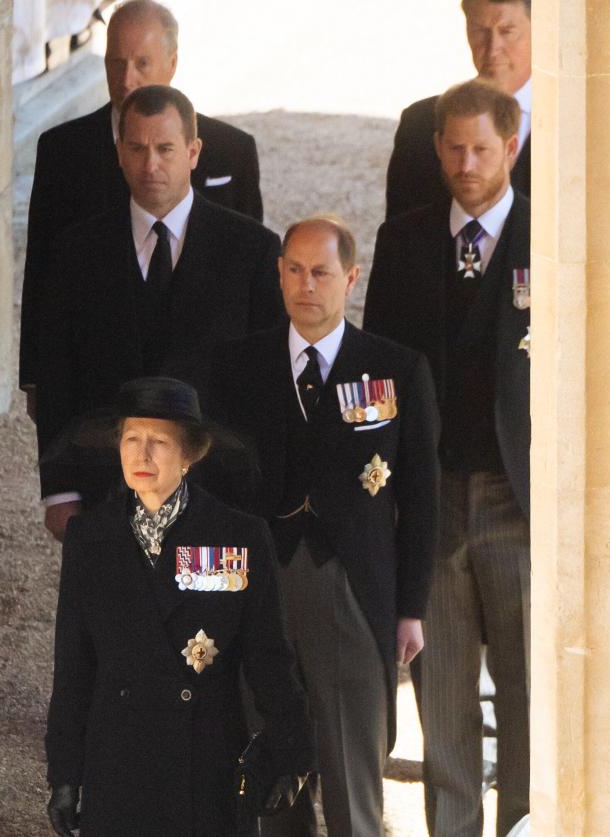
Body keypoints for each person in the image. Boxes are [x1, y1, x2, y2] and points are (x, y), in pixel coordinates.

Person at [213, 217, 440, 836]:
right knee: (270, 774)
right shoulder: (239, 365)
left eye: (320, 272)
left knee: (350, 784)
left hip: (350, 587)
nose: (305, 285)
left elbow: (421, 500)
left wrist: (410, 607)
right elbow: (220, 487)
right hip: (261, 587)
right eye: (293, 269)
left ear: (351, 278)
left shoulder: (396, 369)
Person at [364, 79, 531, 836]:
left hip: (519, 499)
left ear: (513, 148)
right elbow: (378, 378)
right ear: (435, 149)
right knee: (444, 702)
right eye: (454, 148)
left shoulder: (557, 239)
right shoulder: (403, 242)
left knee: (534, 699)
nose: (467, 165)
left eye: (483, 150)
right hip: (430, 504)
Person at [44, 376, 314, 837]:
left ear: (192, 454)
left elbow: (269, 654)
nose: (142, 455)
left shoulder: (239, 538)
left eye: (159, 442)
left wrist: (292, 752)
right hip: (119, 767)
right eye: (131, 439)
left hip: (206, 763)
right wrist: (65, 775)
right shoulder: (90, 539)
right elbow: (74, 667)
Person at [34, 83, 284, 543]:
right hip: (104, 488)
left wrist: (262, 493)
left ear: (193, 152)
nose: (151, 165)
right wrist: (59, 490)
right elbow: (56, 374)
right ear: (120, 152)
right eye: (138, 148)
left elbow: (269, 380)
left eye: (165, 149)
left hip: (217, 491)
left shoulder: (253, 252)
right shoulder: (76, 251)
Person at [20, 0, 264, 403]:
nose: (126, 78)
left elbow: (251, 268)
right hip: (99, 366)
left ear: (172, 63)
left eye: (142, 63)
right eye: (115, 63)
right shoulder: (63, 150)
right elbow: (42, 262)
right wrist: (35, 376)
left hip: (204, 378)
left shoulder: (230, 152)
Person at [384, 0, 531, 219]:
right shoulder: (420, 123)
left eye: (507, 31)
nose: (492, 49)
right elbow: (400, 238)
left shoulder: (577, 125)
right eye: (480, 30)